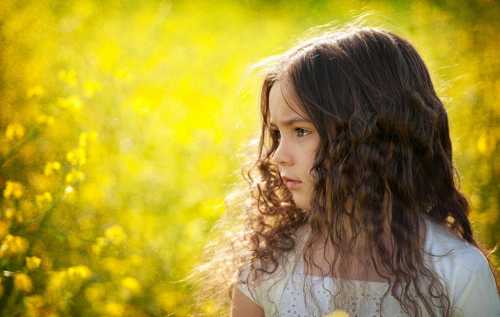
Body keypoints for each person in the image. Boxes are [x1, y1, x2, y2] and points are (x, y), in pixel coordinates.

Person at [199, 26, 500, 317]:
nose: (278, 156)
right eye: (277, 133)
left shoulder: (456, 270)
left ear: (375, 137)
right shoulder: (267, 266)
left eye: (301, 131)